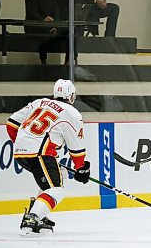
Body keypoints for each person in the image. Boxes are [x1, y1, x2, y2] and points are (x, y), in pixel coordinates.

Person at [6, 79, 90, 235]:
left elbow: (11, 123)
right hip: (40, 153)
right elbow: (75, 145)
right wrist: (81, 167)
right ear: (71, 96)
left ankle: (40, 213)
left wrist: (22, 143)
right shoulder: (72, 113)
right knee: (56, 189)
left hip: (21, 151)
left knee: (57, 177)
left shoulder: (39, 103)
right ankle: (33, 217)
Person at [25, 0, 59, 64]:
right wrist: (43, 19)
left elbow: (56, 12)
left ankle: (68, 60)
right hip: (35, 26)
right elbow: (32, 13)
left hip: (49, 25)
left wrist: (54, 21)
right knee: (43, 33)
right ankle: (43, 61)